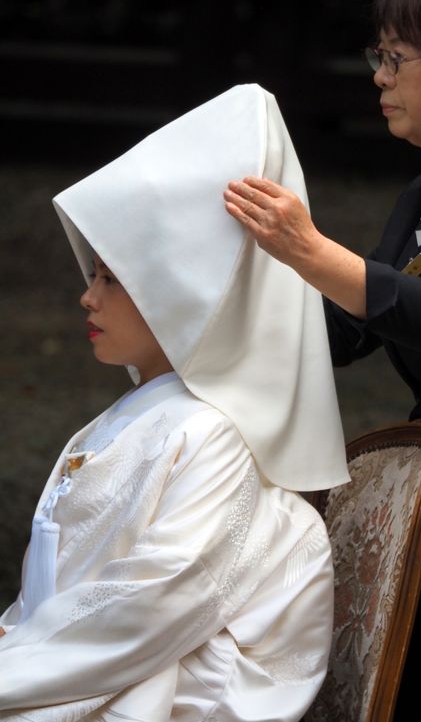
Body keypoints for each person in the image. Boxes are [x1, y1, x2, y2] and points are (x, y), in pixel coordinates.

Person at [0, 84, 350, 721]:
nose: (88, 297)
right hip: (72, 671)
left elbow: (155, 601)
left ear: (176, 297)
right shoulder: (121, 423)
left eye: (111, 279)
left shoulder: (215, 433)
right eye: (93, 277)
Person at [224, 0, 421, 721]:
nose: (378, 76)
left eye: (395, 58)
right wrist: (234, 307)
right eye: (379, 55)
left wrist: (310, 249)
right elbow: (351, 329)